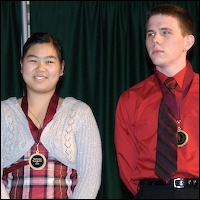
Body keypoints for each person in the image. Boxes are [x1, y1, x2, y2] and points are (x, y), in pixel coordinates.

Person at [1, 32, 102, 199]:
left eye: (49, 61)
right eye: (33, 60)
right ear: (21, 65)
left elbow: (90, 179)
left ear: (62, 68)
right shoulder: (4, 112)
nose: (40, 68)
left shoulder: (79, 113)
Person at [114, 4, 199, 199]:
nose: (156, 40)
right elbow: (127, 165)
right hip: (151, 192)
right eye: (150, 34)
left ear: (188, 42)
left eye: (165, 32)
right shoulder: (130, 99)